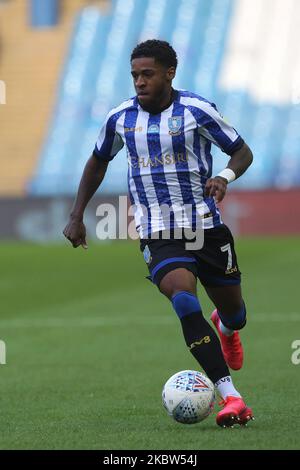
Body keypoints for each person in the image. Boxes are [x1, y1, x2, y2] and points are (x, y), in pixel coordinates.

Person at [63, 39, 254, 427]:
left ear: (169, 73)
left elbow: (242, 151)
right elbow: (98, 160)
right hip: (157, 230)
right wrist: (77, 213)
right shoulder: (121, 118)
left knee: (237, 315)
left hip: (205, 229)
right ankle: (231, 397)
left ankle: (226, 327)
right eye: (134, 74)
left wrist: (223, 175)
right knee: (183, 299)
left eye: (147, 74)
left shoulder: (197, 110)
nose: (139, 81)